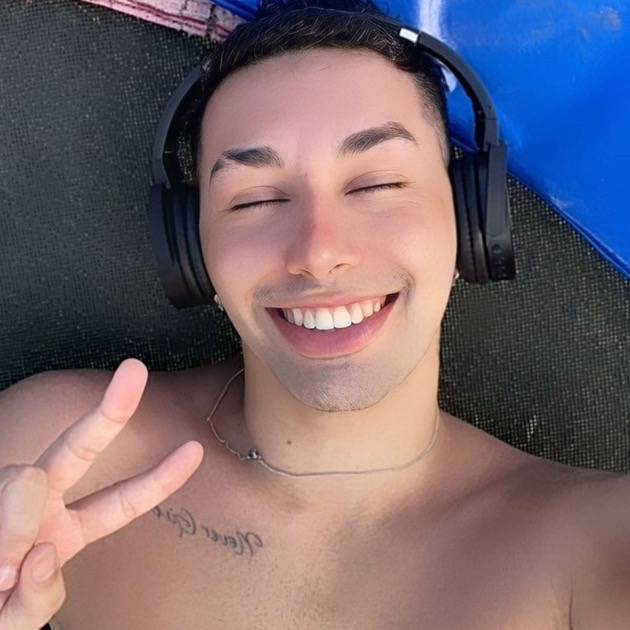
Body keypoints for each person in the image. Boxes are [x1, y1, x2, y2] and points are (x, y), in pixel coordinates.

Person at [1, 1, 629, 628]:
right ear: (192, 253)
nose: (318, 252)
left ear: (471, 224)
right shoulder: (48, 456)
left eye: (375, 186)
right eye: (255, 200)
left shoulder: (594, 543)